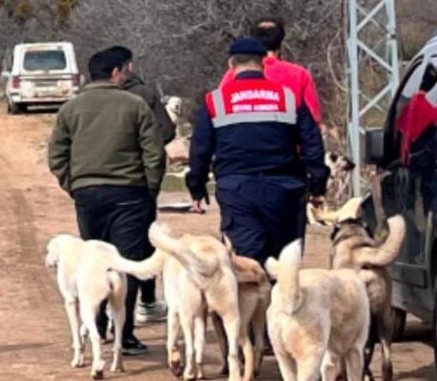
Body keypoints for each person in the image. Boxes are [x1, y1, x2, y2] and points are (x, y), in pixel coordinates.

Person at [48, 46, 164, 356]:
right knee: (124, 264)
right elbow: (154, 152)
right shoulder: (135, 105)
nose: (127, 75)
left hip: (88, 196)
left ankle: (96, 327)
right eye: (125, 70)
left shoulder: (70, 109)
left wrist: (73, 185)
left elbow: (56, 155)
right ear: (115, 72)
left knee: (93, 262)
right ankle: (124, 335)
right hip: (130, 194)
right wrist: (149, 188)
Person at [188, 37, 328, 264]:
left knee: (247, 265)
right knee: (285, 264)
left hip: (237, 190)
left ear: (231, 65)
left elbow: (200, 149)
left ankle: (254, 297)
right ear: (263, 63)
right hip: (285, 190)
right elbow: (312, 143)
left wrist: (196, 186)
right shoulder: (288, 98)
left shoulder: (216, 101)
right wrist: (318, 184)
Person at [109, 46, 174, 325]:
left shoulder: (87, 98)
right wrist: (150, 166)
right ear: (127, 68)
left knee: (104, 245)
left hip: (99, 182)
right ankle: (145, 303)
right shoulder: (143, 94)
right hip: (138, 180)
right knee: (141, 244)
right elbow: (167, 130)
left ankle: (110, 315)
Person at [219, 17, 323, 124]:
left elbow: (219, 113)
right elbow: (313, 117)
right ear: (281, 42)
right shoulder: (299, 75)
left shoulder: (235, 73)